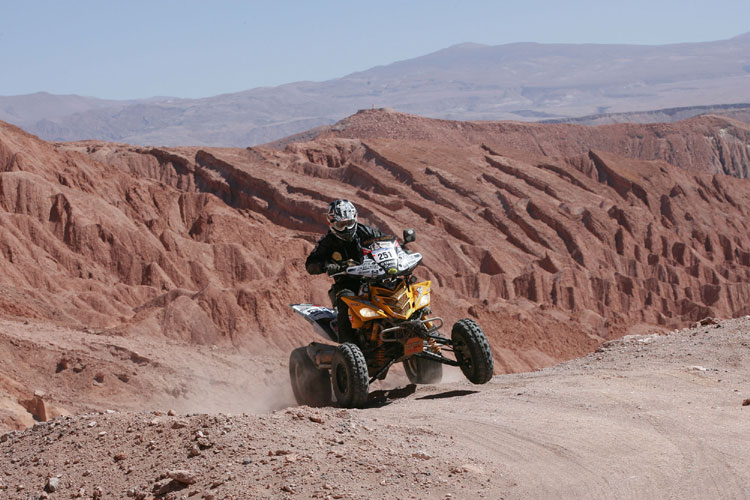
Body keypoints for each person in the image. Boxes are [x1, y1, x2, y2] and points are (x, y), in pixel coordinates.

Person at [305, 199, 383, 344]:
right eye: (341, 225)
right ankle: (348, 345)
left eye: (348, 223)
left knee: (399, 284)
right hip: (347, 283)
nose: (346, 228)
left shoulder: (367, 231)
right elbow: (310, 264)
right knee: (345, 300)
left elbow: (386, 242)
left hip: (375, 277)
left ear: (355, 219)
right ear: (331, 223)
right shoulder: (327, 242)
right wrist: (326, 265)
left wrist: (402, 251)